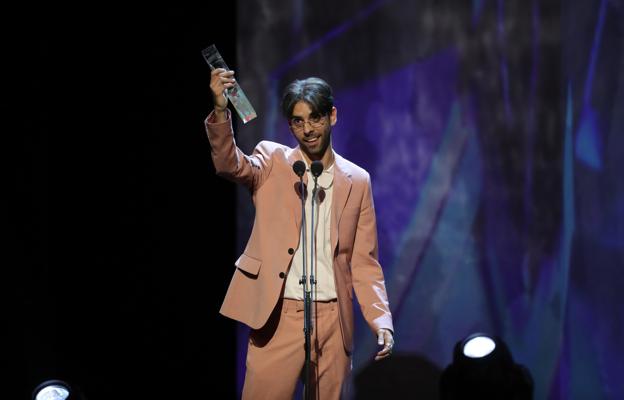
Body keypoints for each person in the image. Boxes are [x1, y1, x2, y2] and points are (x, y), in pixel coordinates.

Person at [205, 68, 394, 399]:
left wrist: (381, 320)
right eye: (297, 121)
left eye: (315, 118)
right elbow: (228, 164)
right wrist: (222, 109)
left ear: (332, 116)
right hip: (280, 315)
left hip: (334, 320)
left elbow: (364, 263)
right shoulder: (272, 159)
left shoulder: (358, 180)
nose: (307, 130)